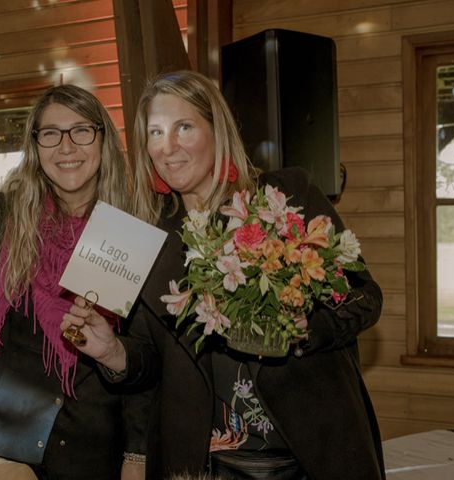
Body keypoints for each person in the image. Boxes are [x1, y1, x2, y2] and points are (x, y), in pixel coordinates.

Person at [61, 71, 385, 479]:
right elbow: (149, 358)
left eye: (184, 127)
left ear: (217, 129)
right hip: (204, 463)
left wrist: (309, 326)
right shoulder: (140, 235)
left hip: (310, 454)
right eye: (155, 132)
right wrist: (111, 352)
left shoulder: (286, 195)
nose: (168, 147)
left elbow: (364, 296)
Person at [0, 84, 148, 480]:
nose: (66, 147)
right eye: (51, 133)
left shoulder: (127, 231)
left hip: (91, 452)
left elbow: (143, 353)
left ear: (102, 139)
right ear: (35, 145)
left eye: (81, 130)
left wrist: (137, 454)